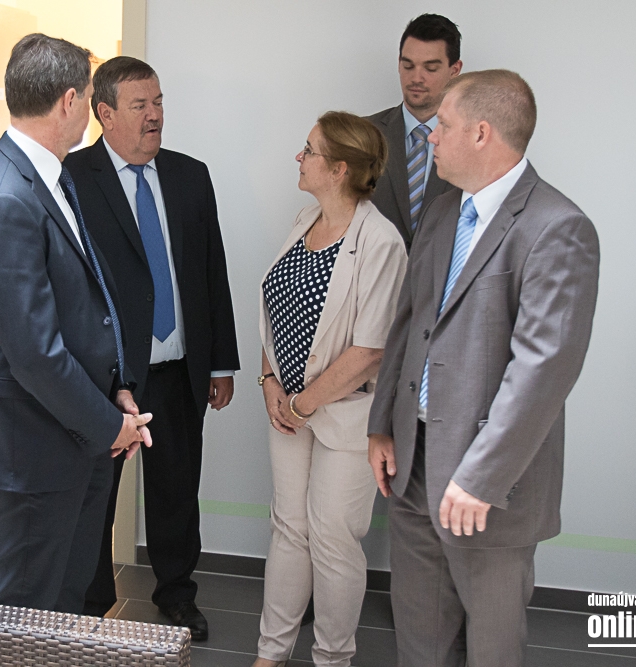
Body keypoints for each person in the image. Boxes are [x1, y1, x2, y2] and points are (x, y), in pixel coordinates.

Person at [367, 70, 600, 667]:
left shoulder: (557, 227)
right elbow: (409, 322)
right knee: (420, 641)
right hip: (414, 466)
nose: (429, 137)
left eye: (442, 126)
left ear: (481, 133)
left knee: (492, 648)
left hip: (488, 485)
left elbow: (543, 371)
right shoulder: (442, 212)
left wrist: (482, 478)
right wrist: (382, 424)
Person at [0, 34, 152, 614]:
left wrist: (115, 391)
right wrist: (109, 425)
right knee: (26, 609)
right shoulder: (4, 197)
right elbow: (34, 352)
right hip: (39, 439)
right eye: (88, 97)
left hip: (77, 428)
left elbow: (83, 303)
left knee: (66, 599)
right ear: (69, 101)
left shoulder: (47, 175)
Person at [64, 56, 239, 638]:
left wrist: (220, 361)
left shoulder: (190, 175)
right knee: (96, 494)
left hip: (179, 368)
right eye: (140, 105)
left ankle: (177, 593)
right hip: (106, 377)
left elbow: (211, 271)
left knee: (176, 490)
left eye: (158, 102)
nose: (154, 115)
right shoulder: (72, 177)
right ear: (105, 113)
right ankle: (92, 603)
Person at [253, 112, 407, 667]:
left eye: (309, 150)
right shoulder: (305, 220)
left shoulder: (381, 242)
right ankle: (270, 654)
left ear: (340, 169)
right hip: (289, 409)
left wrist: (303, 403)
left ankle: (332, 660)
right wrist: (269, 380)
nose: (299, 157)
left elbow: (370, 349)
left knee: (333, 541)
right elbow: (276, 307)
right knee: (289, 530)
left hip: (345, 416)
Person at [367, 14, 462, 251]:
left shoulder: (473, 141)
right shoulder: (363, 134)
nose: (416, 78)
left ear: (455, 69)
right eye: (408, 65)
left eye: (430, 68)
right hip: (374, 271)